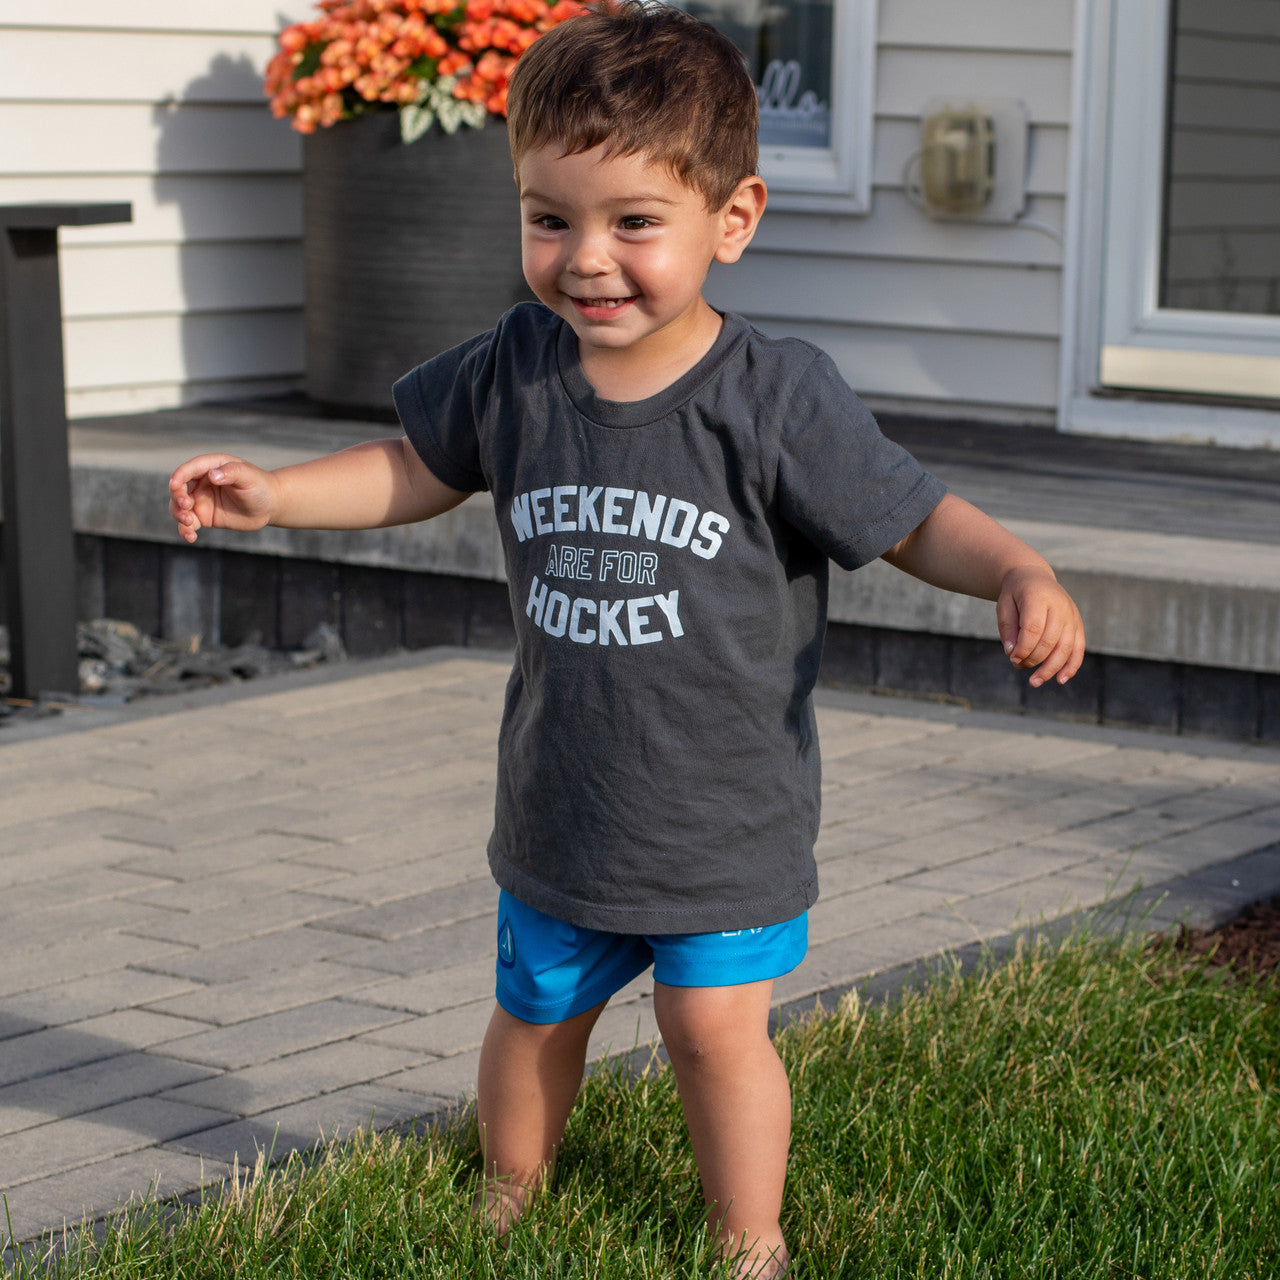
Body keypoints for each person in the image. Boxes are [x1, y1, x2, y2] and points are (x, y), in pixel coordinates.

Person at [168, 4, 1085, 1273]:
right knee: (534, 1011)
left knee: (712, 1031)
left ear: (734, 218)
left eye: (632, 222)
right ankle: (506, 1188)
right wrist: (277, 491)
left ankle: (745, 1237)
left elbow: (911, 517)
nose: (585, 258)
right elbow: (411, 467)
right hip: (561, 802)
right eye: (551, 218)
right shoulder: (515, 369)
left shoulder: (773, 397)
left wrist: (1017, 570)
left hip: (719, 817)